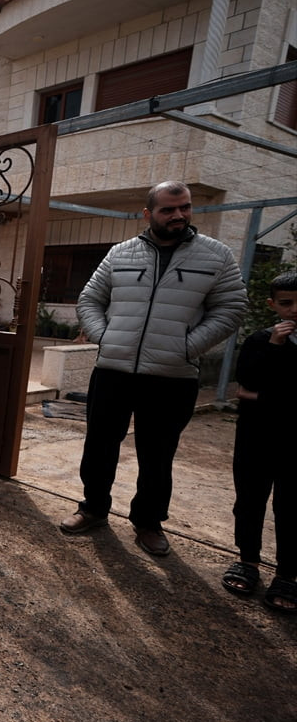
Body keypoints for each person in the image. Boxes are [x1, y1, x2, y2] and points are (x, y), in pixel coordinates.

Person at [60, 181, 247, 556]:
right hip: (113, 369)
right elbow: (90, 299)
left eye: (185, 207)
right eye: (168, 209)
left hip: (172, 376)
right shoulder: (120, 253)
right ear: (148, 214)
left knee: (158, 453)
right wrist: (105, 337)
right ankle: (93, 508)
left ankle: (148, 522)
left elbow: (231, 309)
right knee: (99, 446)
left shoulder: (216, 256)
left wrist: (186, 347)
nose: (178, 215)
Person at [221, 270, 296, 613]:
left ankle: (288, 573)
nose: (294, 310)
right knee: (250, 499)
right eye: (287, 303)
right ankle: (248, 559)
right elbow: (245, 384)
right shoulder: (260, 340)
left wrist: (261, 397)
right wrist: (275, 346)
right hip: (256, 437)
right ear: (273, 305)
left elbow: (254, 393)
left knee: (292, 506)